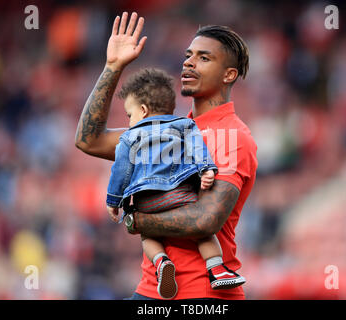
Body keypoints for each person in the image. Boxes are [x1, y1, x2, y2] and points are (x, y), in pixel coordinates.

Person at [75, 12, 258, 300]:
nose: (188, 62)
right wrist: (113, 67)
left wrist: (136, 221)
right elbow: (89, 140)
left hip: (203, 294)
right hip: (151, 292)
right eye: (188, 55)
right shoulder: (169, 130)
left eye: (204, 58)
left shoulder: (232, 136)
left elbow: (204, 221)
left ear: (229, 75)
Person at [105, 68, 245, 299]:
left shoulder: (129, 138)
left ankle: (161, 262)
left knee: (148, 236)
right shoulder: (184, 125)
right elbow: (197, 148)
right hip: (181, 195)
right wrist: (207, 169)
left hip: (146, 202)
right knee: (203, 235)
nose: (129, 121)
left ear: (143, 110)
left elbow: (121, 170)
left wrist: (114, 200)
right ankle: (217, 268)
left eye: (129, 115)